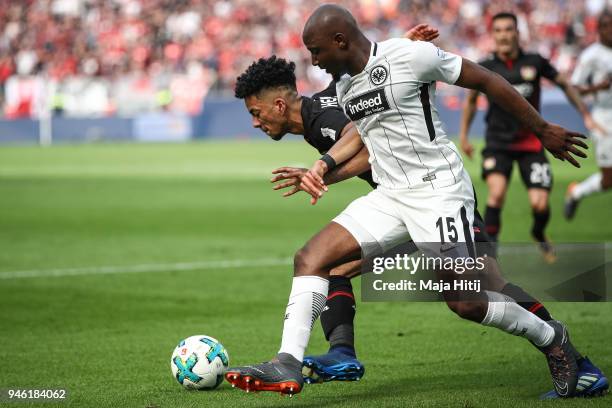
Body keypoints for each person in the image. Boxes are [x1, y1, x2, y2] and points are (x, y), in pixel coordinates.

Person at [225, 4, 591, 398]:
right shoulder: (347, 87)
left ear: (340, 40)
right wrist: (322, 169)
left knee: (467, 301)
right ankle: (287, 362)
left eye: (316, 51)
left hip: (440, 194)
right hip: (391, 196)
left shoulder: (410, 56)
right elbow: (361, 137)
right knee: (311, 258)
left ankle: (554, 339)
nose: (313, 61)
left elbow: (486, 80)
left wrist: (541, 128)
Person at [458, 12, 600, 263]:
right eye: (498, 30)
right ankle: (490, 255)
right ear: (493, 35)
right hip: (497, 143)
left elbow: (565, 84)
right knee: (496, 194)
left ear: (517, 33)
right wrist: (464, 136)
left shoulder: (535, 61)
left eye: (508, 29)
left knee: (540, 204)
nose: (503, 35)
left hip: (531, 143)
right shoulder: (486, 66)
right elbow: (470, 101)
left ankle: (538, 232)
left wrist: (585, 115)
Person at [565, 10, 612, 219]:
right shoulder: (591, 55)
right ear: (599, 29)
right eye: (606, 26)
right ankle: (576, 193)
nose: (610, 30)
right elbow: (573, 88)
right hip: (604, 118)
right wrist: (597, 88)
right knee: (608, 180)